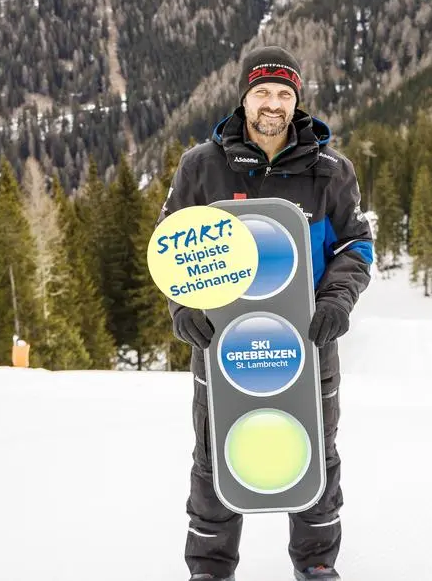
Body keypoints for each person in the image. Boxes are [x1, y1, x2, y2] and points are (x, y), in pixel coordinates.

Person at [157, 45, 374, 581]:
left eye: (283, 94)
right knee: (215, 449)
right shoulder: (201, 167)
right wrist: (182, 305)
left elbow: (356, 247)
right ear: (244, 98)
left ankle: (317, 562)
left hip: (306, 339)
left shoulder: (330, 170)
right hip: (223, 340)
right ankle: (209, 567)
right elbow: (170, 245)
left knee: (315, 448)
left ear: (296, 100)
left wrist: (335, 302)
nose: (272, 104)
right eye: (262, 93)